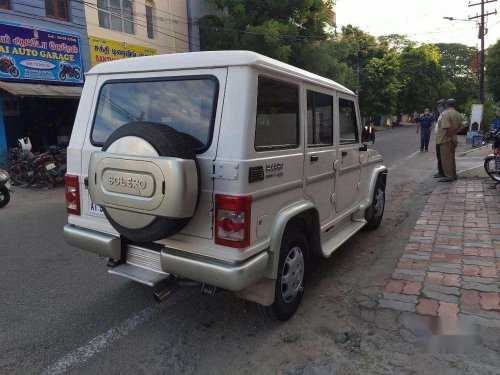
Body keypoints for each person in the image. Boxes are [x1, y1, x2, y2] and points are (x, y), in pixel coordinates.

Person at [436, 98, 464, 182]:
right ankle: (453, 174)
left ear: (446, 105)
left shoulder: (446, 114)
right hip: (452, 138)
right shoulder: (458, 114)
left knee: (446, 159)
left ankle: (449, 176)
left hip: (445, 139)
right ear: (455, 105)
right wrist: (454, 134)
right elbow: (462, 126)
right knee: (451, 157)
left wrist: (451, 136)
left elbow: (447, 128)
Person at [434, 99, 446, 178]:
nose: (439, 107)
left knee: (441, 156)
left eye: (440, 105)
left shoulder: (445, 114)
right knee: (439, 156)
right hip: (439, 138)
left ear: (444, 106)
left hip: (442, 138)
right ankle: (440, 171)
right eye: (438, 106)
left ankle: (442, 173)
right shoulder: (441, 114)